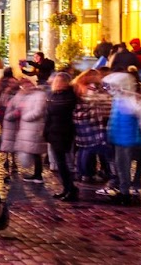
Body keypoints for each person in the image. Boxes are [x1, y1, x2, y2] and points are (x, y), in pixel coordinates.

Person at [105, 72, 141, 205]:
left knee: (124, 166)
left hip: (126, 138)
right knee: (121, 166)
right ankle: (124, 191)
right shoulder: (120, 98)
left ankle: (125, 194)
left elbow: (137, 114)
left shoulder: (129, 99)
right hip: (120, 137)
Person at [42, 71, 78, 201]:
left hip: (64, 131)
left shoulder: (68, 96)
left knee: (65, 163)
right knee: (60, 163)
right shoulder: (52, 95)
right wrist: (46, 131)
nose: (56, 83)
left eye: (59, 81)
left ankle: (70, 189)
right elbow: (48, 115)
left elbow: (58, 110)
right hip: (53, 131)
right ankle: (68, 188)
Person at [2, 77, 47, 182]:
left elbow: (38, 111)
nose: (26, 87)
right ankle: (36, 174)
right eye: (23, 85)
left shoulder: (39, 95)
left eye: (28, 84)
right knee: (32, 150)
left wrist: (25, 117)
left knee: (36, 151)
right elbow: (16, 106)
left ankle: (38, 175)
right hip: (26, 128)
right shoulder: (24, 95)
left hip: (35, 127)